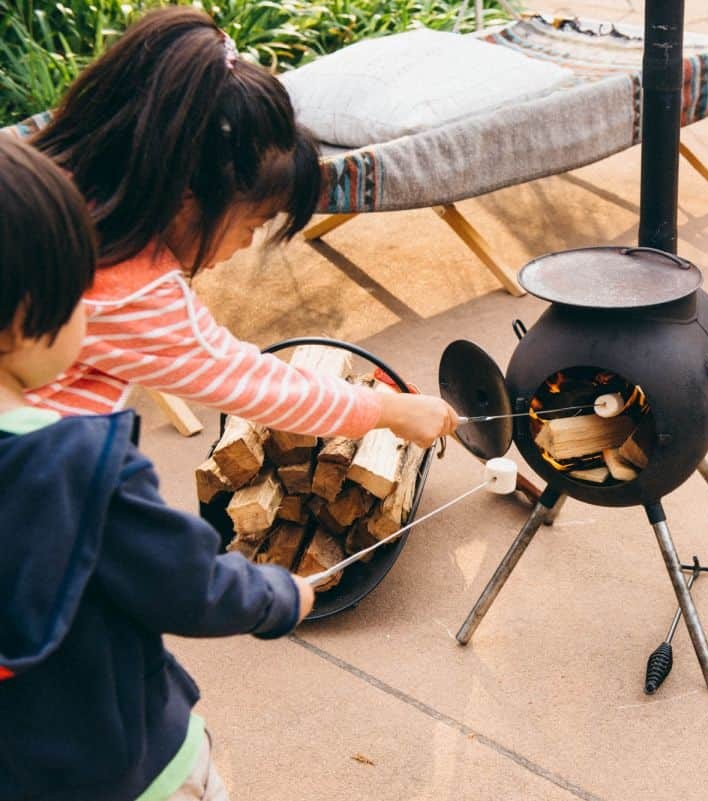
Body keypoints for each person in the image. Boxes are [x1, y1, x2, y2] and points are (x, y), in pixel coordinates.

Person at [0, 135, 315, 800]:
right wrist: (282, 597)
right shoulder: (82, 465)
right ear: (19, 325)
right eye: (76, 295)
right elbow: (189, 583)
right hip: (129, 767)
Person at [26, 6, 456, 448]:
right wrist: (392, 410)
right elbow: (250, 382)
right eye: (253, 224)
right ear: (186, 198)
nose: (246, 243)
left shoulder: (32, 179)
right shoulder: (134, 293)